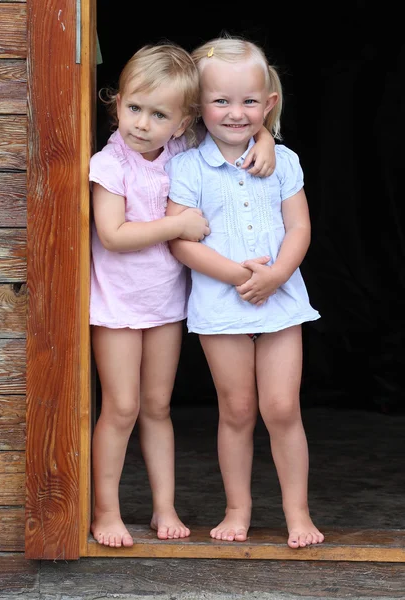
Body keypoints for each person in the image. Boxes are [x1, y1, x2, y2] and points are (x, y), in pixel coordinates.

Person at [88, 41, 277, 548]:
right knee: (121, 407)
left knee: (157, 407)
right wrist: (178, 225)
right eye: (133, 108)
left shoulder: (179, 151)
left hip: (165, 305)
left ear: (181, 122)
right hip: (116, 306)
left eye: (158, 114)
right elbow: (112, 234)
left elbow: (232, 128)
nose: (141, 123)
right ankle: (105, 511)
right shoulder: (110, 166)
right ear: (117, 101)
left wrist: (266, 138)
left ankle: (163, 506)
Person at [166, 36, 325, 549]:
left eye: (249, 101)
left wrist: (276, 275)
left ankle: (297, 512)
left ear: (269, 103)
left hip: (280, 300)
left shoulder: (284, 160)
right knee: (236, 410)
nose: (236, 113)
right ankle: (238, 508)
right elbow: (183, 244)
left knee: (281, 408)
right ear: (198, 106)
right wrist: (240, 277)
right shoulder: (187, 167)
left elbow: (299, 227)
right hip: (220, 303)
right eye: (221, 101)